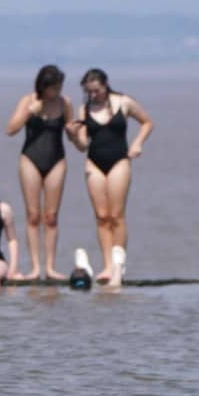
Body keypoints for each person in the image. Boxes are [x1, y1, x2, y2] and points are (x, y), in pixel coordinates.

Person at [66, 68, 153, 286]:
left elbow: (147, 122)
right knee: (102, 216)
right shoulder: (84, 109)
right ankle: (106, 266)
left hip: (119, 161)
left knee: (117, 215)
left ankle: (118, 265)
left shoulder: (123, 102)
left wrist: (137, 143)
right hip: (94, 163)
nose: (93, 96)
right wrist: (72, 136)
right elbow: (83, 146)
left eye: (96, 91)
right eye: (89, 92)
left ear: (105, 85)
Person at [6, 65, 75, 281]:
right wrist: (29, 112)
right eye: (54, 87)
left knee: (51, 217)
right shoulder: (28, 100)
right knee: (34, 216)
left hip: (57, 160)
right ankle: (35, 267)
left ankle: (51, 267)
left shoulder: (65, 103)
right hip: (30, 159)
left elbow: (74, 135)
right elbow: (10, 129)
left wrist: (75, 133)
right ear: (43, 86)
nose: (57, 91)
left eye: (59, 87)